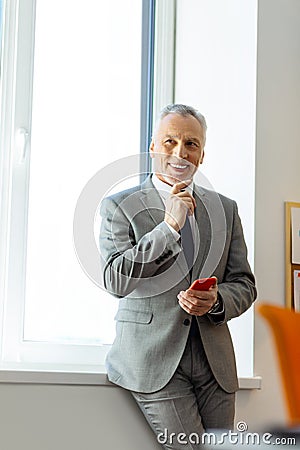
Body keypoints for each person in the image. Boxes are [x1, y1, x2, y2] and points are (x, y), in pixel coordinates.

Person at [99, 104, 256, 449]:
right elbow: (116, 280)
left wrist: (216, 301)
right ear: (152, 146)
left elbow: (245, 284)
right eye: (169, 141)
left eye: (191, 144)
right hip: (153, 361)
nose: (179, 152)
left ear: (202, 155)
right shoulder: (119, 206)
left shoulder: (225, 209)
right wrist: (169, 227)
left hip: (214, 363)